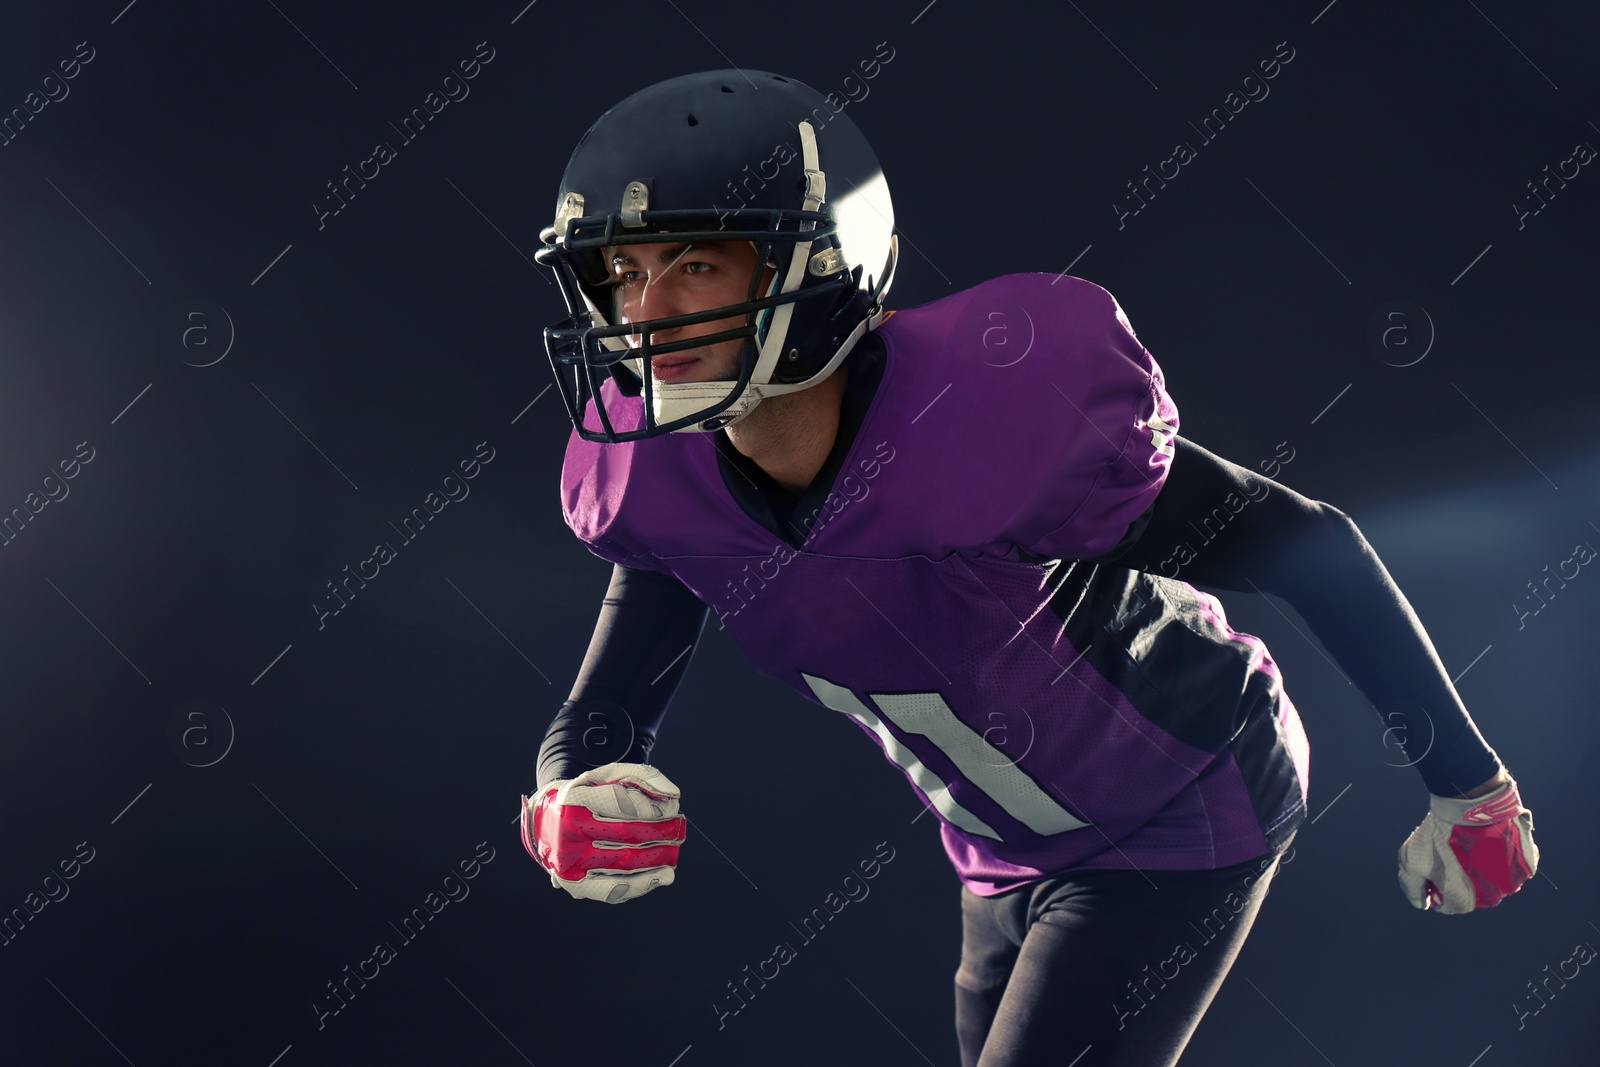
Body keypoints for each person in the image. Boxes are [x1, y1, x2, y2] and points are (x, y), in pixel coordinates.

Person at [519, 69, 1541, 1066]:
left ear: (821, 264)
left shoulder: (984, 412)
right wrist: (565, 792)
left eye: (695, 265)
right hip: (1000, 853)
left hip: (1175, 794)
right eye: (622, 271)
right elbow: (606, 708)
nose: (645, 310)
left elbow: (1305, 543)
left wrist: (1468, 781)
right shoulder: (653, 479)